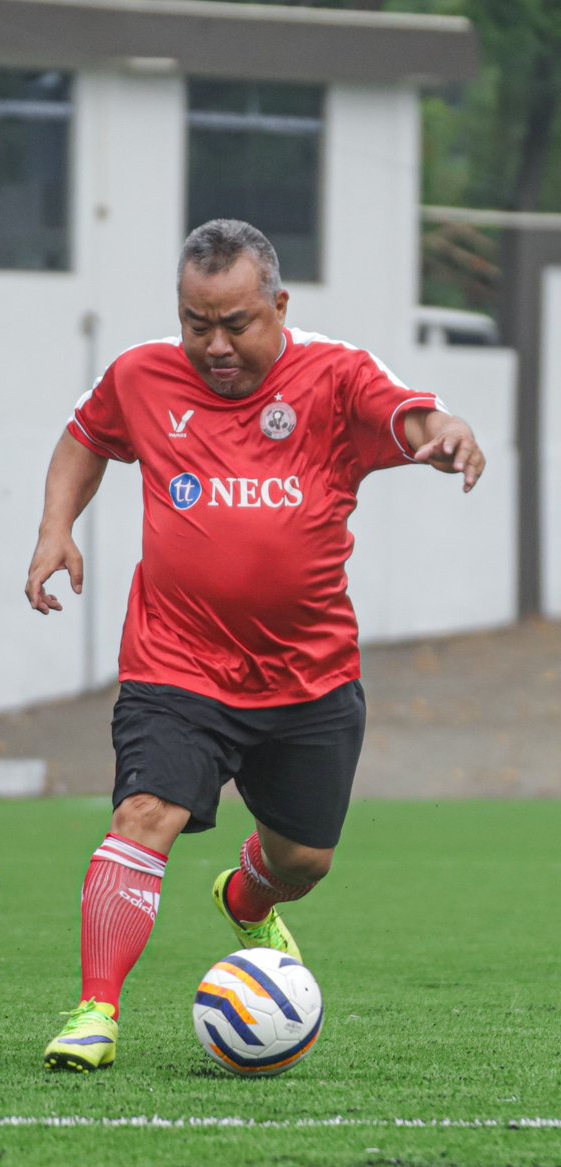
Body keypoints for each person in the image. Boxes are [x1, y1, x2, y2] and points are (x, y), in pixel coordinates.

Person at [24, 219, 485, 1073]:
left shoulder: (334, 374)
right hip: (177, 664)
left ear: (279, 304)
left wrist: (443, 432)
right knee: (143, 816)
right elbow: (85, 437)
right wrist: (57, 529)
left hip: (308, 677)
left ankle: (244, 896)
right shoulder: (141, 374)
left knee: (303, 860)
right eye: (197, 323)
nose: (215, 344)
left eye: (235, 323)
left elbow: (409, 414)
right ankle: (96, 1009)